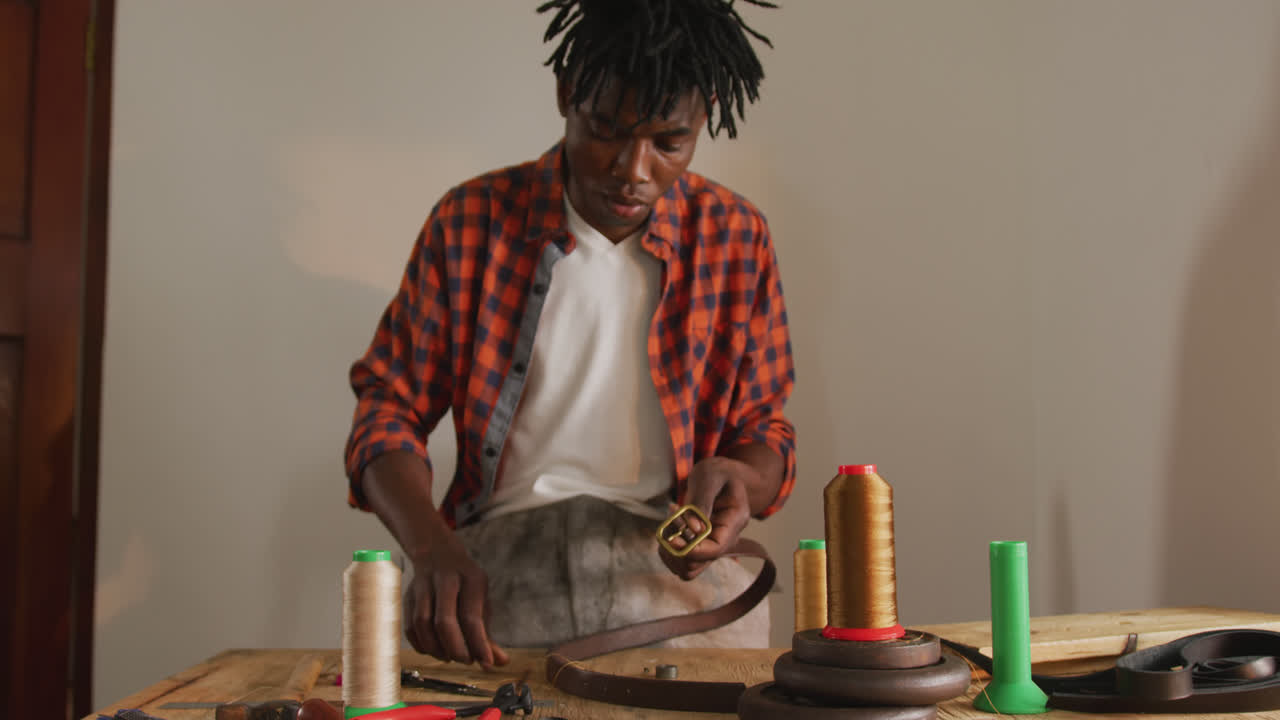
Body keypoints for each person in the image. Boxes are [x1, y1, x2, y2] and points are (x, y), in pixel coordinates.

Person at [343, 0, 795, 669]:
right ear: (566, 94)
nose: (633, 170)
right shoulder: (472, 220)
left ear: (703, 122)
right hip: (496, 578)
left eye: (669, 143)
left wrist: (740, 480)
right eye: (607, 129)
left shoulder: (735, 235)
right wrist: (431, 548)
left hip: (678, 579)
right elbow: (388, 413)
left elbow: (766, 432)